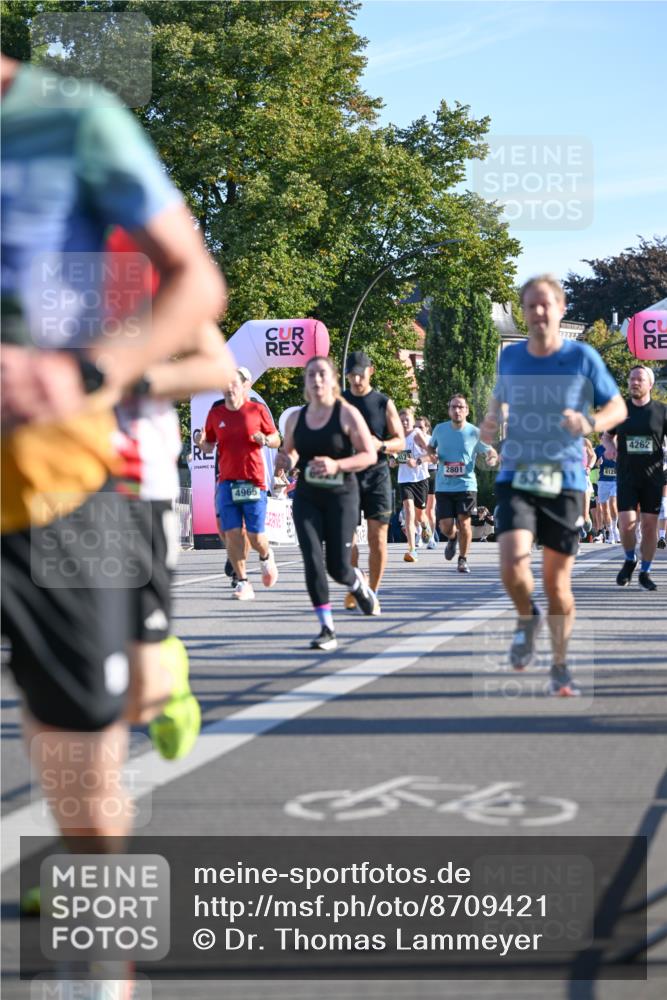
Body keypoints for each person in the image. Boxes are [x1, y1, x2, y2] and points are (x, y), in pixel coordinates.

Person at [1, 52, 226, 978]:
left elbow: (210, 348)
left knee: (105, 714)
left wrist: (95, 372)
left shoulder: (83, 156)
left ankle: (152, 684)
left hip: (116, 481)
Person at [481, 274, 626, 696]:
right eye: (531, 306)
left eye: (546, 305)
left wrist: (590, 422)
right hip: (518, 475)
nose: (539, 312)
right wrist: (490, 422)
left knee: (556, 584)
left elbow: (616, 406)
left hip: (563, 478)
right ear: (524, 313)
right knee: (511, 564)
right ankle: (527, 616)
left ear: (560, 311)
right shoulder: (511, 359)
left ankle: (560, 665)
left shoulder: (582, 357)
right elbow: (499, 400)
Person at [277, 356, 379, 650]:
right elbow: (292, 454)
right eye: (311, 375)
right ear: (306, 382)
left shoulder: (346, 414)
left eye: (322, 374)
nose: (317, 380)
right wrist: (286, 460)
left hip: (341, 496)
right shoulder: (297, 417)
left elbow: (368, 455)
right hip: (308, 496)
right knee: (311, 559)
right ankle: (327, 628)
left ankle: (357, 583)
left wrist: (336, 465)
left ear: (333, 380)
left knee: (338, 568)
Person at [195, 367, 280, 601]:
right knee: (231, 533)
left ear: (244, 386)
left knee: (255, 537)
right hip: (226, 482)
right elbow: (208, 445)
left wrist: (266, 439)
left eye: (234, 383)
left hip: (253, 481)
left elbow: (276, 439)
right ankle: (242, 582)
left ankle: (265, 556)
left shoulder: (257, 410)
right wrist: (200, 442)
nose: (230, 387)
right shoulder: (216, 414)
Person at [342, 350, 405, 613]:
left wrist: (381, 444)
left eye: (361, 374)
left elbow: (400, 441)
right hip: (347, 475)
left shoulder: (382, 402)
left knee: (377, 537)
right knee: (346, 540)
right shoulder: (339, 402)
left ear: (371, 371)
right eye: (352, 375)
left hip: (377, 474)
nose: (357, 380)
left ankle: (372, 592)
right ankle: (357, 583)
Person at [602, 365, 667, 591]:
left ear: (649, 384)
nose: (634, 382)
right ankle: (630, 559)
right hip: (627, 476)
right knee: (627, 524)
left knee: (650, 527)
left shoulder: (661, 411)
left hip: (653, 478)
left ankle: (646, 571)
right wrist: (609, 447)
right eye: (631, 379)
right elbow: (605, 437)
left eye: (639, 379)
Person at [428, 394, 498, 573]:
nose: (457, 410)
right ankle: (452, 538)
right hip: (443, 486)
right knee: (445, 527)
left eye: (460, 407)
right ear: (449, 410)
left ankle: (463, 559)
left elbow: (490, 451)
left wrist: (491, 458)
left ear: (466, 410)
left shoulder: (474, 432)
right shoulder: (440, 429)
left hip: (466, 485)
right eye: (453, 407)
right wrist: (432, 455)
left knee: (465, 522)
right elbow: (430, 447)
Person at [390, 407, 431, 563]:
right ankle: (412, 550)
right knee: (408, 511)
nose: (405, 422)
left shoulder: (417, 435)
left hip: (420, 479)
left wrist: (418, 461)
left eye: (407, 420)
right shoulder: (396, 438)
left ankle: (425, 524)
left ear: (412, 421)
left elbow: (432, 454)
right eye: (401, 421)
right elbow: (393, 461)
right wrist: (393, 461)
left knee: (420, 515)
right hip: (404, 480)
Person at [416, 415, 438, 548]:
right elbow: (406, 455)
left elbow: (436, 458)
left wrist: (422, 459)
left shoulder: (431, 440)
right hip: (416, 476)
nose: (417, 429)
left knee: (430, 510)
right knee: (417, 510)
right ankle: (420, 535)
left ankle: (431, 538)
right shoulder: (411, 439)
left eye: (420, 427)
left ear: (427, 428)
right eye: (415, 427)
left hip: (431, 474)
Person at [594, 439, 620, 543]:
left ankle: (614, 528)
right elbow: (593, 463)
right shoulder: (599, 449)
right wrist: (597, 463)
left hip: (616, 481)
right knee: (604, 508)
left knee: (613, 503)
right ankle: (610, 532)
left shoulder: (619, 447)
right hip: (603, 481)